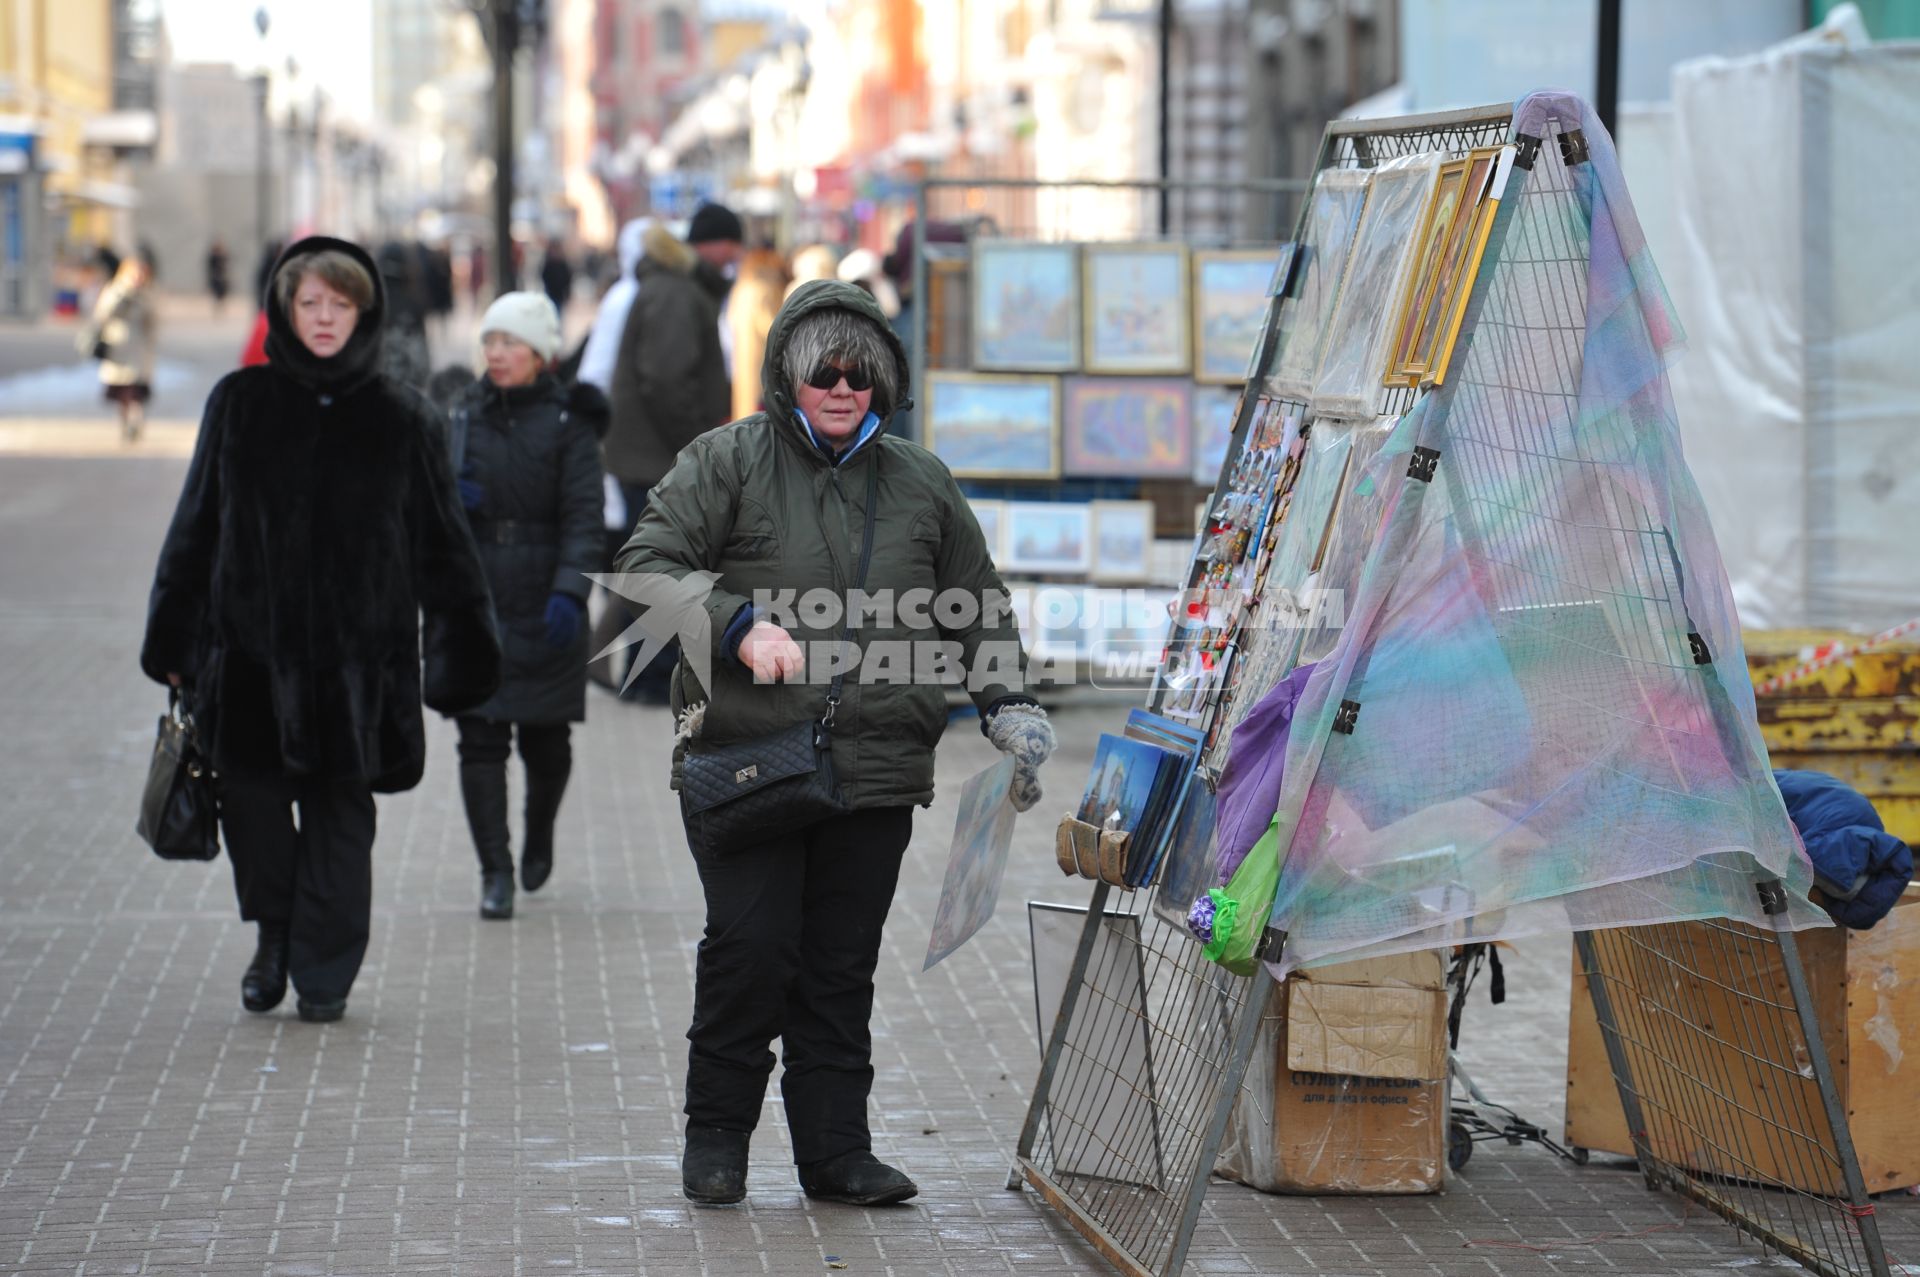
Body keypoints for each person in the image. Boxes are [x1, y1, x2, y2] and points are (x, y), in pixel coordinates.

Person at [617, 279, 1057, 1208]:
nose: (843, 384)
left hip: (878, 766)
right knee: (751, 948)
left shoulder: (920, 480)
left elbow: (975, 602)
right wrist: (736, 627)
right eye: (824, 366)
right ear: (790, 371)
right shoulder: (726, 460)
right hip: (749, 760)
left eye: (862, 370)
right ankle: (717, 1137)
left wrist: (1008, 700)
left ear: (884, 381)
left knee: (838, 965)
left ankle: (834, 1152)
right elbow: (646, 567)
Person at [140, 235, 501, 1024]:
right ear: (284, 309)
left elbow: (445, 545)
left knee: (342, 819)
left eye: (342, 303)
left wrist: (462, 650)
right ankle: (273, 937)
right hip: (249, 662)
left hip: (356, 669)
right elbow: (196, 526)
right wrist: (173, 640)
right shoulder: (239, 403)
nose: (327, 317)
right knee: (257, 812)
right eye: (311, 303)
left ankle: (324, 967)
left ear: (365, 311)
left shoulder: (404, 417)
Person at [446, 292, 607, 920]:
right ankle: (496, 870)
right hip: (478, 600)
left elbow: (584, 520)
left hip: (545, 597)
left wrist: (571, 592)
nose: (497, 353)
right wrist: (447, 498)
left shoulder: (570, 425)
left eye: (511, 342)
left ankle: (539, 832)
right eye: (490, 341)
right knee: (478, 741)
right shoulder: (461, 416)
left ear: (541, 354)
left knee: (546, 743)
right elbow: (426, 515)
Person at [602, 218, 732, 703]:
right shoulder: (676, 293)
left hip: (646, 453)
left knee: (652, 568)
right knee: (660, 568)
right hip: (656, 455)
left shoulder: (666, 287)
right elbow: (667, 379)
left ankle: (643, 680)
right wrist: (695, 447)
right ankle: (651, 682)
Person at [80, 250, 158, 443]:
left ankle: (137, 424)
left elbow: (154, 320)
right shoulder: (115, 291)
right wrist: (123, 298)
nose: (138, 277)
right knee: (123, 391)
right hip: (119, 348)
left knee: (137, 392)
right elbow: (103, 315)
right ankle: (125, 425)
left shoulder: (147, 293)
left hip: (139, 350)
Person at [540, 236, 574, 313]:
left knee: (558, 312)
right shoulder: (549, 263)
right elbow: (544, 276)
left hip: (559, 294)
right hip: (551, 293)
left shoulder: (563, 263)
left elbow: (567, 277)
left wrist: (567, 292)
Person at [206, 238, 231, 314]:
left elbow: (226, 266)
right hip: (216, 278)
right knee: (216, 295)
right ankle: (217, 309)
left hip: (222, 278)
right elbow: (210, 268)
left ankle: (222, 309)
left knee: (222, 295)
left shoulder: (223, 256)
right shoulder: (212, 257)